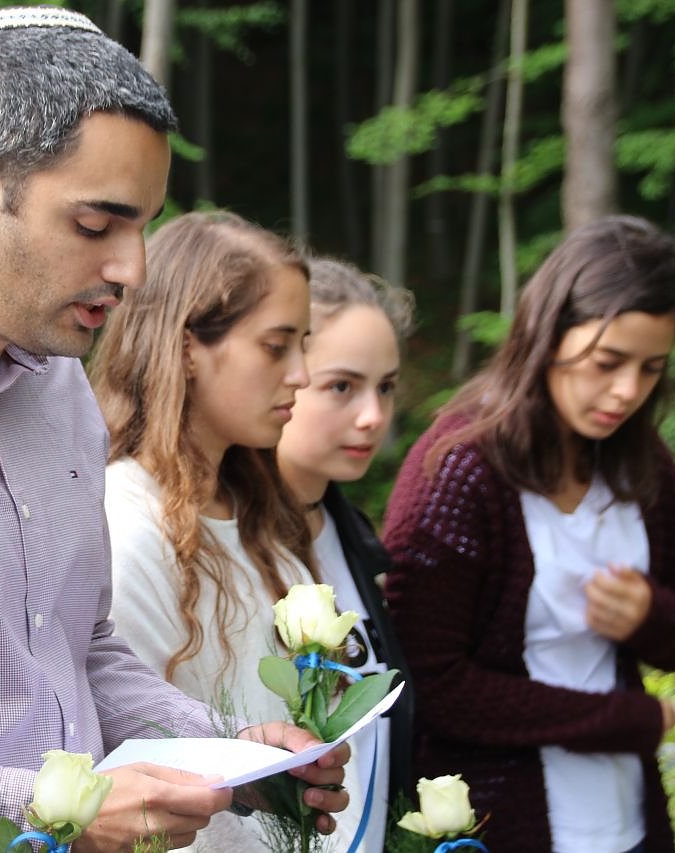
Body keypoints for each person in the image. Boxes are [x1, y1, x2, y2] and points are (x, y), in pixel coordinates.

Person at [0, 8, 349, 852]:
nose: (133, 268)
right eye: (95, 225)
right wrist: (56, 811)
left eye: (143, 225)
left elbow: (79, 651)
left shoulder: (60, 386)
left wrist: (225, 754)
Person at [381, 215, 675, 853]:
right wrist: (622, 719)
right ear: (547, 333)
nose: (627, 391)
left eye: (651, 369)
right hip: (494, 820)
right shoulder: (459, 471)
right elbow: (432, 682)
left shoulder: (644, 464)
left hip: (628, 818)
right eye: (607, 362)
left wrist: (650, 615)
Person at [90, 210, 320, 852]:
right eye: (275, 346)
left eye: (303, 345)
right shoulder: (126, 521)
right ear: (188, 346)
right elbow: (139, 747)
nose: (301, 374)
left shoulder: (257, 512)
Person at [273, 258, 416, 853]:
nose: (373, 416)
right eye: (341, 386)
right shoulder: (213, 539)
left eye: (385, 387)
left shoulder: (346, 531)